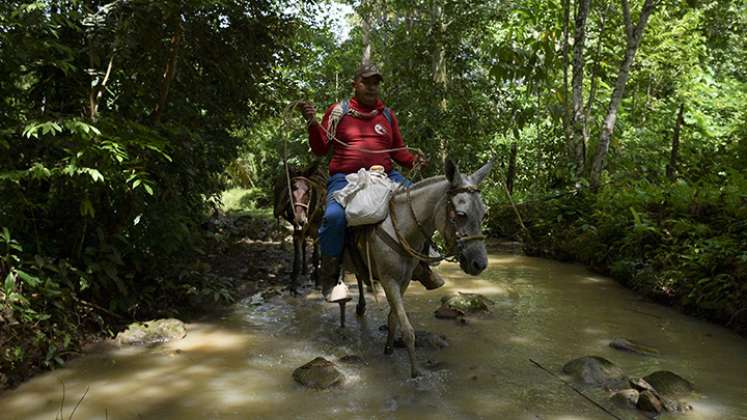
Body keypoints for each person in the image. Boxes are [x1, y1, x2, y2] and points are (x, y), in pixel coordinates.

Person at [299, 62, 444, 303]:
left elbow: (399, 153)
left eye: (376, 82)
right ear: (355, 84)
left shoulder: (387, 115)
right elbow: (320, 148)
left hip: (385, 176)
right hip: (346, 179)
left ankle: (422, 265)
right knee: (334, 217)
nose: (372, 87)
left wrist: (413, 161)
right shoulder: (338, 111)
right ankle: (331, 278)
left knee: (422, 202)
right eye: (367, 82)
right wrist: (313, 124)